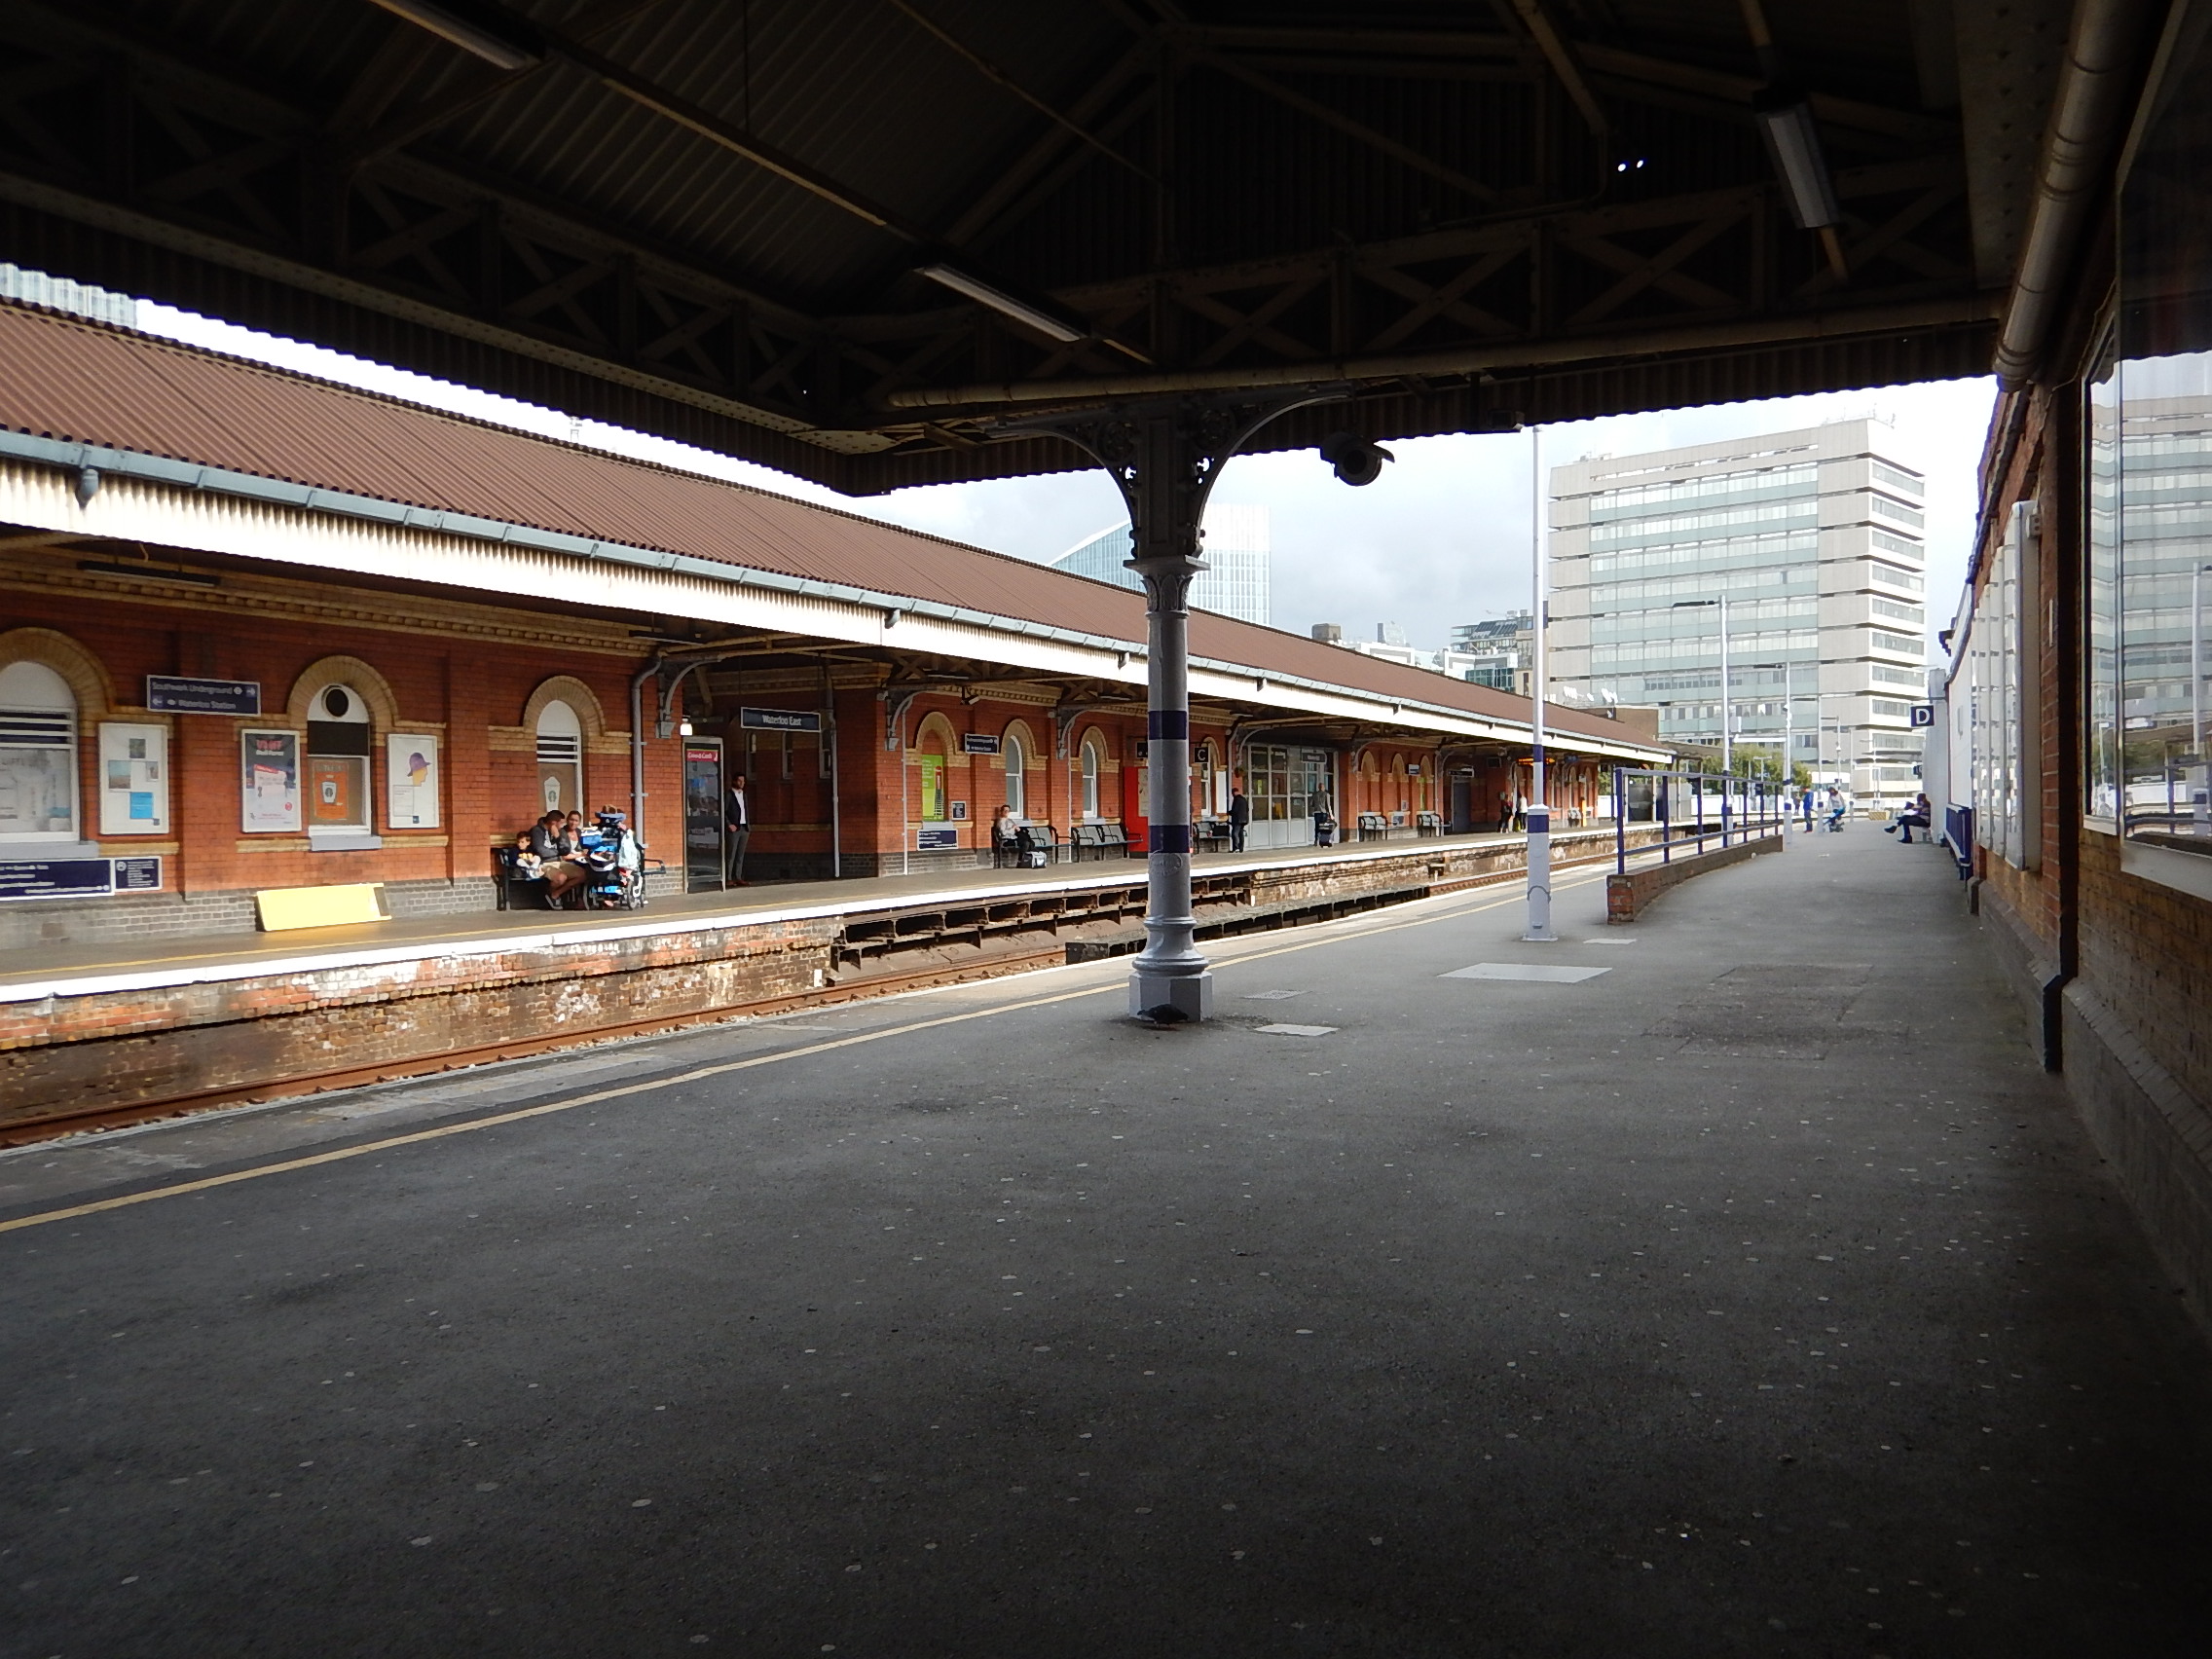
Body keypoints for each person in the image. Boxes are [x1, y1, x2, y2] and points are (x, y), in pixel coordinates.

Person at [529, 810, 587, 905]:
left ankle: (556, 894)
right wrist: (557, 852)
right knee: (561, 878)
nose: (562, 826)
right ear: (553, 822)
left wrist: (558, 837)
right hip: (544, 863)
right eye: (560, 823)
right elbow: (541, 851)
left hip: (560, 861)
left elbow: (565, 850)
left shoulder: (559, 831)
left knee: (582, 874)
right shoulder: (537, 831)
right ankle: (548, 892)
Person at [725, 774, 751, 886]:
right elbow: (724, 811)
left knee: (740, 854)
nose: (742, 783)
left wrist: (748, 825)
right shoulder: (729, 795)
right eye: (739, 781)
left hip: (744, 827)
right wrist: (729, 824)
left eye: (743, 781)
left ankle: (738, 877)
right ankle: (728, 878)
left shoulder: (744, 795)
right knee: (731, 853)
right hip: (734, 828)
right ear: (734, 781)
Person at [990, 802, 1018, 867]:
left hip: (1014, 837)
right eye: (1005, 810)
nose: (1006, 812)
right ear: (1001, 811)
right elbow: (1003, 833)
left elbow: (1015, 828)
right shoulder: (1001, 821)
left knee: (1028, 842)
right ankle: (1020, 861)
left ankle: (1023, 860)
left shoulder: (1010, 820)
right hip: (1006, 839)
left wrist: (1016, 828)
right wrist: (1012, 829)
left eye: (1008, 811)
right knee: (1026, 843)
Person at [1228, 781, 1250, 853]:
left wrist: (1229, 813)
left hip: (1238, 820)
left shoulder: (1236, 799)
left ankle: (1236, 848)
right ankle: (1241, 848)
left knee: (1235, 833)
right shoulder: (1244, 799)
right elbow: (1247, 809)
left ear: (1234, 793)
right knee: (1241, 834)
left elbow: (1235, 810)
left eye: (1232, 793)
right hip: (1244, 820)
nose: (1232, 795)